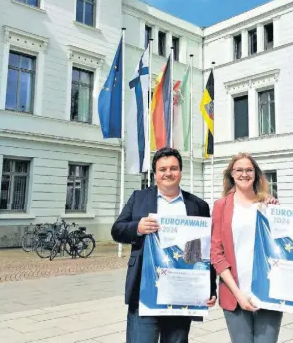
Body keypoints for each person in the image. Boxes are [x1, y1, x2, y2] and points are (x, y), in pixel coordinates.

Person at [111, 147, 217, 343]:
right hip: (145, 290)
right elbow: (117, 230)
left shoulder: (198, 205)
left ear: (181, 172)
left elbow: (206, 250)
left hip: (181, 293)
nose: (168, 173)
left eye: (173, 168)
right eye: (163, 169)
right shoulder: (139, 198)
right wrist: (138, 227)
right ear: (155, 173)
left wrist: (209, 288)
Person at [210, 152, 283, 343]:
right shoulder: (220, 206)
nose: (244, 174)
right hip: (235, 293)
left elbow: (284, 244)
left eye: (249, 170)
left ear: (256, 174)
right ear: (231, 175)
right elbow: (216, 254)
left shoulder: (269, 205)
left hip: (268, 292)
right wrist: (238, 294)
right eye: (239, 170)